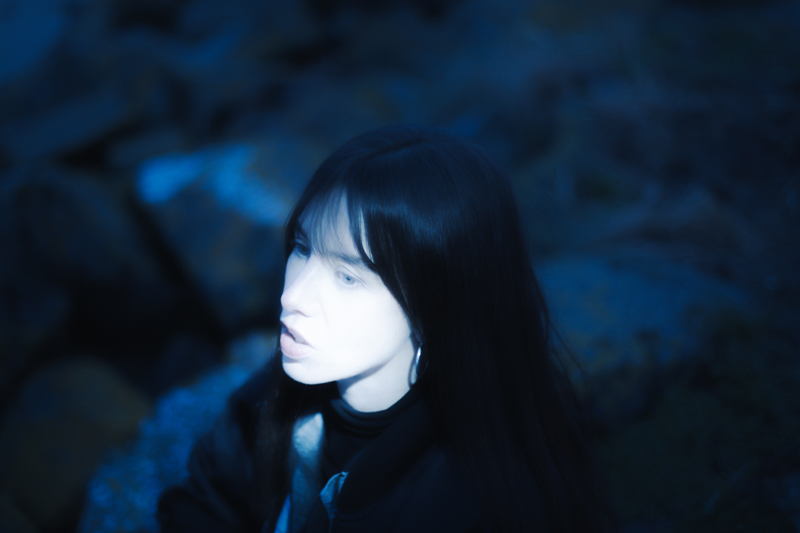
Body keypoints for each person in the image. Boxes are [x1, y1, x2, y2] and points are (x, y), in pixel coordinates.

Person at [157, 125, 613, 532]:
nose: (292, 297)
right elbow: (202, 507)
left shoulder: (473, 497)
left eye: (348, 276)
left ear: (436, 305)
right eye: (302, 247)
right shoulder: (272, 397)